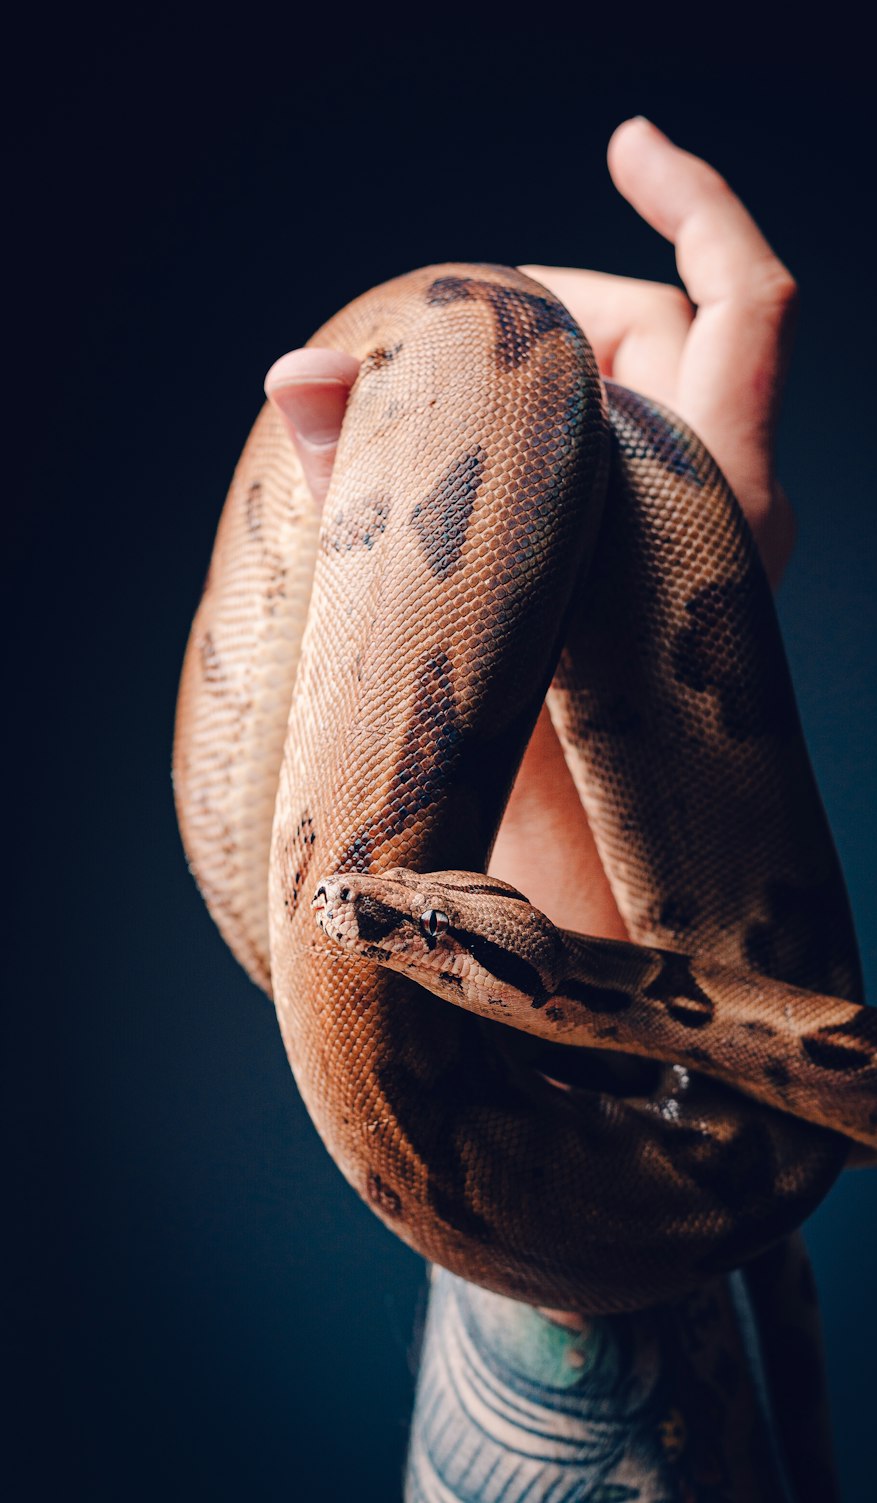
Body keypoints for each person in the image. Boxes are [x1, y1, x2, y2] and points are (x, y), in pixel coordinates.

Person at [265, 117, 831, 1501]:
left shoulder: (764, 1133)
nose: (365, 912)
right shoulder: (773, 1126)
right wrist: (546, 775)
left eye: (435, 952)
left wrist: (511, 745)